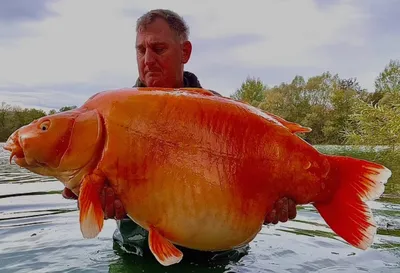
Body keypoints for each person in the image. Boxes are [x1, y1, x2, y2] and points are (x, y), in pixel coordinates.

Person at [62, 8, 297, 263]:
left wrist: (274, 203)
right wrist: (92, 199)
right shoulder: (110, 117)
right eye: (141, 50)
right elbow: (89, 191)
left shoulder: (225, 116)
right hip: (136, 254)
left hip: (217, 259)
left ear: (185, 52)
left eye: (159, 48)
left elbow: (258, 184)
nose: (148, 59)